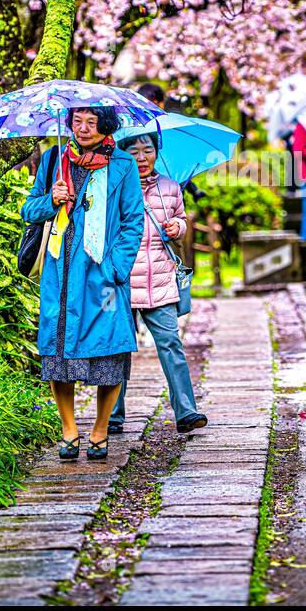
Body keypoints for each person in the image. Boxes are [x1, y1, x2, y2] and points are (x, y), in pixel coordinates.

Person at [21, 106, 144, 461]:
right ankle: (69, 430)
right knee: (57, 350)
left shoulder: (122, 165)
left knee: (109, 349)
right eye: (78, 121)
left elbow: (133, 221)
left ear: (105, 126)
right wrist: (51, 200)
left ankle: (101, 429)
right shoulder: (54, 160)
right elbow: (28, 210)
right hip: (59, 271)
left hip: (102, 274)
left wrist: (116, 268)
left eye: (92, 122)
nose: (84, 128)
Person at [107, 133, 209, 435]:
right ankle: (113, 416)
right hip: (122, 279)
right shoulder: (114, 185)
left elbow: (181, 219)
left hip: (161, 278)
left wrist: (178, 227)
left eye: (148, 150)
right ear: (123, 154)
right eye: (134, 151)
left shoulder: (170, 187)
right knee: (118, 349)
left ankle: (187, 412)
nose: (142, 157)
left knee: (171, 344)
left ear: (156, 152)